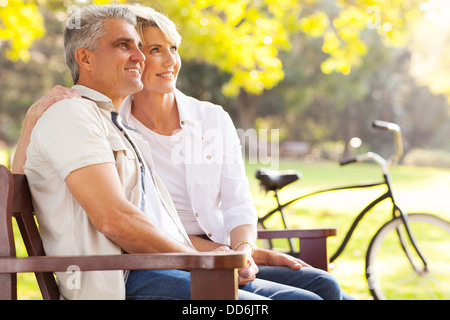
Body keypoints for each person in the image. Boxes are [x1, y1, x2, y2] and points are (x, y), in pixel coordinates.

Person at [14, 4, 352, 300]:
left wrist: (236, 254)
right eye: (124, 45)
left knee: (322, 287)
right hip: (126, 277)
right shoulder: (75, 115)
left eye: (142, 47)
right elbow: (115, 220)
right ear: (85, 58)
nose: (141, 56)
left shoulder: (118, 126)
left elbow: (166, 224)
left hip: (163, 263)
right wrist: (207, 263)